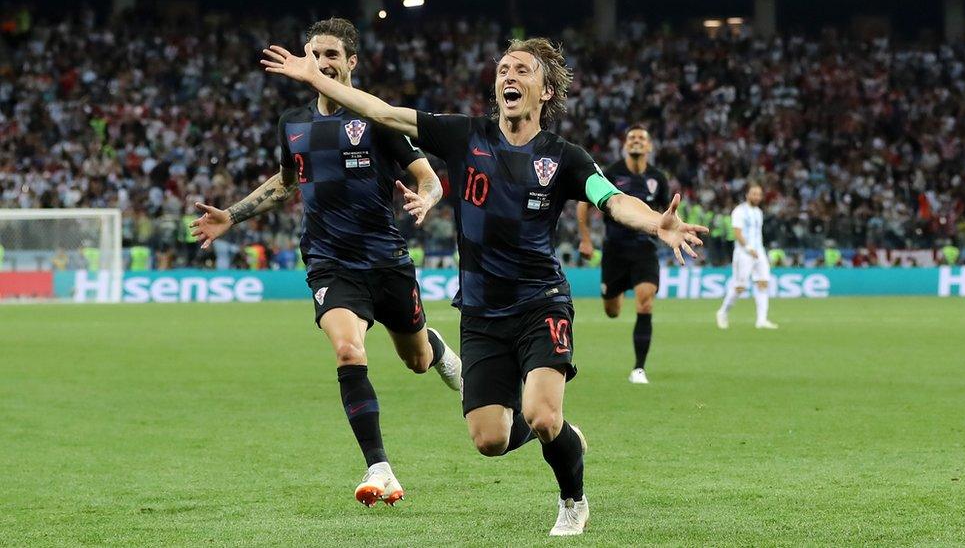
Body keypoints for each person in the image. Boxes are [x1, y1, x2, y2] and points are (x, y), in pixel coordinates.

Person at [261, 36, 707, 536]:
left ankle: (572, 500)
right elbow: (385, 113)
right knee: (489, 440)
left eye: (523, 70)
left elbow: (614, 199)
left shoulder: (565, 157)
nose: (510, 76)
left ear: (545, 90)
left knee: (540, 414)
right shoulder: (464, 136)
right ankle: (564, 436)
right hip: (480, 312)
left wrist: (655, 224)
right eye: (503, 69)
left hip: (542, 302)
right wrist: (317, 78)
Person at [192, 18, 462, 509]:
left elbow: (429, 177)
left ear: (352, 61)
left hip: (387, 262)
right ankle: (378, 466)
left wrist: (427, 199)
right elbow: (286, 181)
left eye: (332, 55)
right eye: (315, 54)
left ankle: (437, 347)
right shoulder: (293, 124)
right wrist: (230, 215)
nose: (323, 63)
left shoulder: (379, 120)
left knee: (418, 361)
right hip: (330, 262)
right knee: (347, 351)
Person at [577, 125, 671, 385]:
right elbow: (584, 200)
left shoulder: (658, 179)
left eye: (642, 138)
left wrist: (674, 229)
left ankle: (639, 368)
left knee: (645, 301)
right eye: (632, 138)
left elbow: (667, 213)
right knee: (612, 311)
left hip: (645, 249)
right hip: (615, 250)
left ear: (650, 147)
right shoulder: (612, 173)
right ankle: (612, 293)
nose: (637, 141)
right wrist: (585, 237)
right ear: (625, 145)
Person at [716, 183, 778, 329]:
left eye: (759, 194)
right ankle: (722, 312)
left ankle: (761, 320)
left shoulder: (759, 212)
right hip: (743, 253)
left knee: (763, 282)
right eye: (754, 194)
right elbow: (737, 233)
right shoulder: (739, 211)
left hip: (759, 252)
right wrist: (749, 248)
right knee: (740, 287)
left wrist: (759, 250)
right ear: (747, 195)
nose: (757, 197)